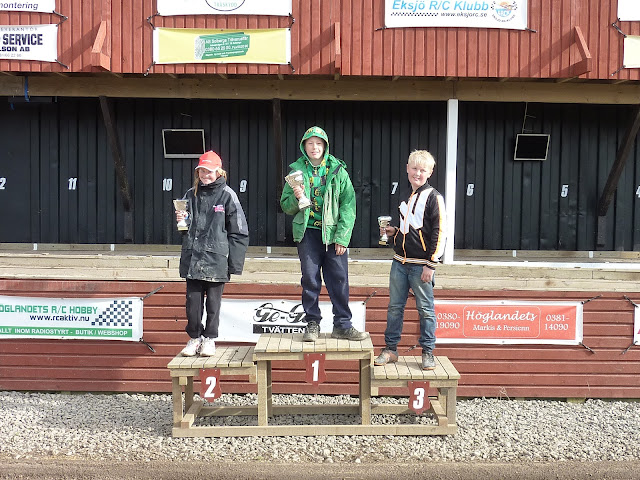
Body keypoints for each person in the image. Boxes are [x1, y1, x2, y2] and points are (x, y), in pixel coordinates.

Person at [280, 126, 367, 342]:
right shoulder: (296, 172)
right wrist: (297, 198)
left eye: (319, 143)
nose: (314, 147)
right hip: (307, 233)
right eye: (310, 143)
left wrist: (342, 237)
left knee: (339, 279)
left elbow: (348, 206)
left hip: (333, 234)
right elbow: (286, 206)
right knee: (310, 279)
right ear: (304, 146)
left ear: (325, 146)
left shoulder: (338, 171)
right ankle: (312, 324)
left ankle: (343, 325)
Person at [374, 150, 446, 370]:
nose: (417, 173)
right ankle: (391, 350)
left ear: (430, 172)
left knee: (426, 310)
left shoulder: (434, 197)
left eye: (423, 170)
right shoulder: (404, 195)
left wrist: (431, 264)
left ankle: (428, 352)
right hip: (399, 262)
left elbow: (440, 232)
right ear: (407, 169)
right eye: (414, 168)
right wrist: (394, 232)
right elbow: (409, 229)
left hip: (421, 265)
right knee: (394, 308)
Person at [175, 150, 249, 356]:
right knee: (192, 304)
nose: (205, 175)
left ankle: (209, 339)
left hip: (217, 260)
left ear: (219, 172)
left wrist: (233, 265)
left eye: (209, 171)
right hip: (193, 259)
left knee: (214, 305)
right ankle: (194, 338)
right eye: (202, 171)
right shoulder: (190, 194)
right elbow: (184, 229)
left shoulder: (228, 195)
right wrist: (181, 221)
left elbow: (239, 231)